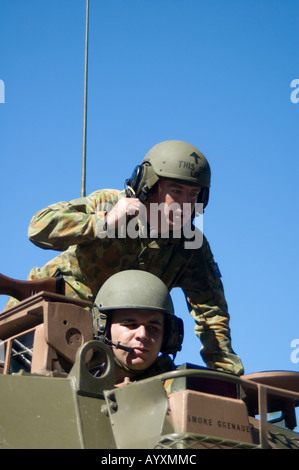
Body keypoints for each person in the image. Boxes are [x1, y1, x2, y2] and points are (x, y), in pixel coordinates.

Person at [6, 140, 244, 375]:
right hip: (47, 323)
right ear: (149, 185)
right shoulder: (111, 203)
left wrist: (227, 374)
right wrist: (103, 222)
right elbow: (38, 227)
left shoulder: (191, 246)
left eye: (194, 194)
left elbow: (211, 312)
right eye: (176, 191)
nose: (185, 204)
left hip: (119, 346)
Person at [91, 270, 184, 386]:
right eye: (131, 325)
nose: (143, 335)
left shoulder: (183, 386)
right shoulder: (76, 376)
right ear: (102, 329)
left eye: (153, 327)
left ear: (168, 336)